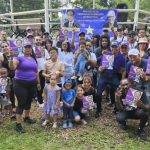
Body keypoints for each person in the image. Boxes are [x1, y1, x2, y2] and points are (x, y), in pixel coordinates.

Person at [9, 41, 38, 133]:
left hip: (32, 83)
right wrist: (10, 58)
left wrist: (38, 82)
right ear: (23, 48)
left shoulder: (33, 59)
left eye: (29, 47)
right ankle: (18, 124)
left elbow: (36, 71)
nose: (28, 48)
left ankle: (26, 117)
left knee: (28, 101)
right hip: (20, 83)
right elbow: (12, 67)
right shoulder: (19, 58)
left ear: (31, 48)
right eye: (26, 47)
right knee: (21, 103)